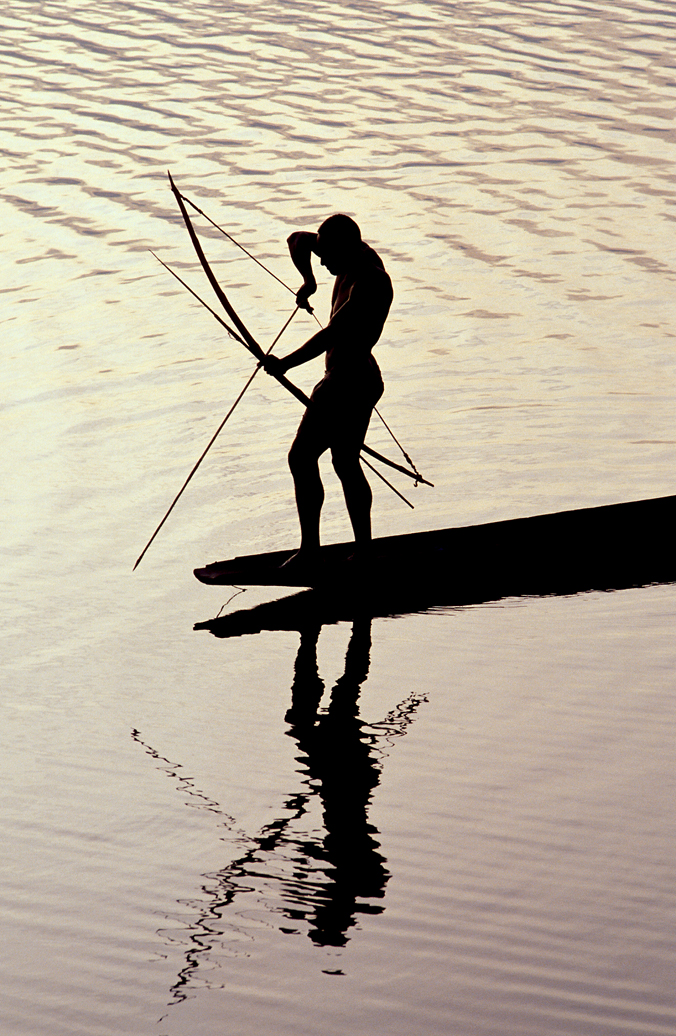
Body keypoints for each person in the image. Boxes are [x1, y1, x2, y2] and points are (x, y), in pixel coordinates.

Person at [262, 214, 393, 570]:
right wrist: (309, 281)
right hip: (354, 378)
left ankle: (312, 552)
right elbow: (297, 240)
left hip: (349, 380)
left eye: (326, 256)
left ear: (346, 248)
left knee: (303, 458)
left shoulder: (371, 281)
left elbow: (333, 333)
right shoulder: (341, 251)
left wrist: (285, 363)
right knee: (343, 461)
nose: (321, 261)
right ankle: (358, 551)